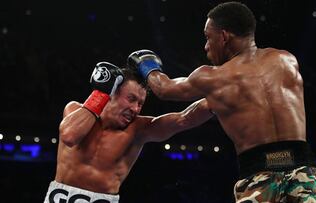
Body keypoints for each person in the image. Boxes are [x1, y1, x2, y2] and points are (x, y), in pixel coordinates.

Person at [127, 1, 316, 202]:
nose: (206, 47)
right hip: (307, 175)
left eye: (208, 38)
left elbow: (165, 89)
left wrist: (147, 65)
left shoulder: (215, 78)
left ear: (224, 36)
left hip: (259, 178)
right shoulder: (286, 59)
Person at [43, 62, 213, 203]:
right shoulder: (75, 109)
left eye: (140, 103)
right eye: (131, 99)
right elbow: (70, 136)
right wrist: (101, 92)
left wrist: (221, 95)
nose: (135, 108)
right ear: (111, 94)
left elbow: (184, 118)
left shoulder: (139, 129)